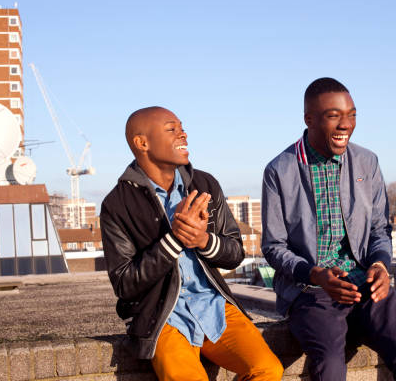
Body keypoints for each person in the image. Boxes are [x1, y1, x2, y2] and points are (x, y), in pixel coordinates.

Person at [261, 77, 396, 380]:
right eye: (333, 115)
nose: (346, 124)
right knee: (329, 364)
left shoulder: (367, 161)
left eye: (351, 115)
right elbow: (274, 247)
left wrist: (380, 264)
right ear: (309, 119)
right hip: (312, 291)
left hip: (366, 283)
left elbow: (379, 228)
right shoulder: (279, 170)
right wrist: (315, 275)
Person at [100, 106, 283, 381]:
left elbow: (235, 253)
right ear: (142, 143)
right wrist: (174, 240)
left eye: (182, 128)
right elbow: (125, 283)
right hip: (162, 317)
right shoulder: (117, 204)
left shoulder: (205, 184)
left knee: (268, 368)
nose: (183, 134)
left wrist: (203, 240)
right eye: (171, 129)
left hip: (214, 306)